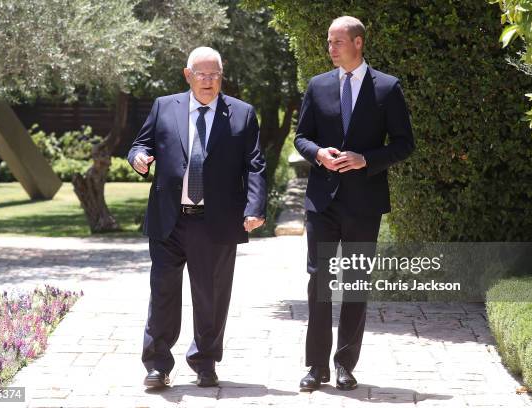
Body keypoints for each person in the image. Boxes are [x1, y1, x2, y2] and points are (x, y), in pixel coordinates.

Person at [128, 46, 266, 388]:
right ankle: (157, 365)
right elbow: (139, 145)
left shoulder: (242, 113)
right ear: (187, 75)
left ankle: (205, 361)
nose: (208, 81)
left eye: (215, 74)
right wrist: (139, 157)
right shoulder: (164, 106)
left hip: (215, 221)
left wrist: (255, 207)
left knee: (212, 296)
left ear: (222, 76)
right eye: (202, 74)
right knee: (162, 292)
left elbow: (255, 164)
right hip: (168, 219)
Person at [294, 16, 415, 391]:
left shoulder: (388, 88)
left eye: (337, 41)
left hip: (364, 201)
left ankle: (345, 364)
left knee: (356, 283)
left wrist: (367, 159)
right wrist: (318, 154)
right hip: (322, 203)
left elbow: (404, 143)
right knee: (320, 282)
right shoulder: (317, 86)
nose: (330, 48)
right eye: (328, 42)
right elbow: (301, 137)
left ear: (358, 42)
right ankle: (316, 368)